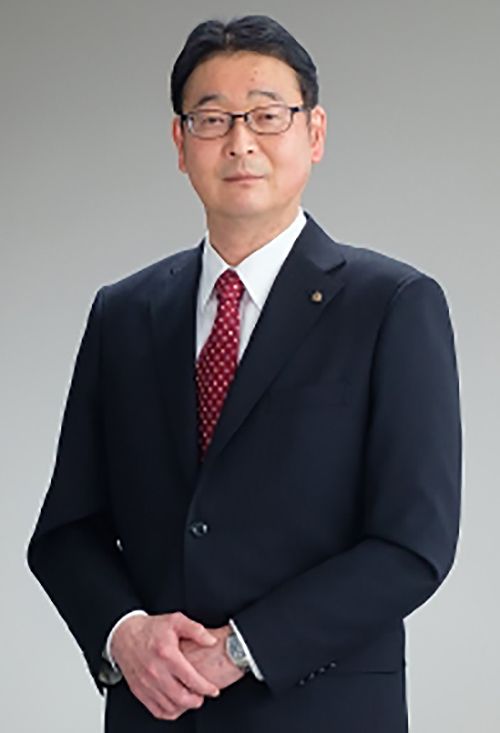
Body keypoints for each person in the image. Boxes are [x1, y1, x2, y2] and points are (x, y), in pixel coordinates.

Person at [27, 14, 462, 733]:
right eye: (212, 119)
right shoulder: (124, 313)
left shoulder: (393, 305)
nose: (240, 142)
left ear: (314, 133)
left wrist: (241, 647)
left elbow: (412, 544)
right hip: (155, 713)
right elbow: (67, 531)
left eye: (267, 115)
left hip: (322, 712)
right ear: (180, 144)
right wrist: (124, 633)